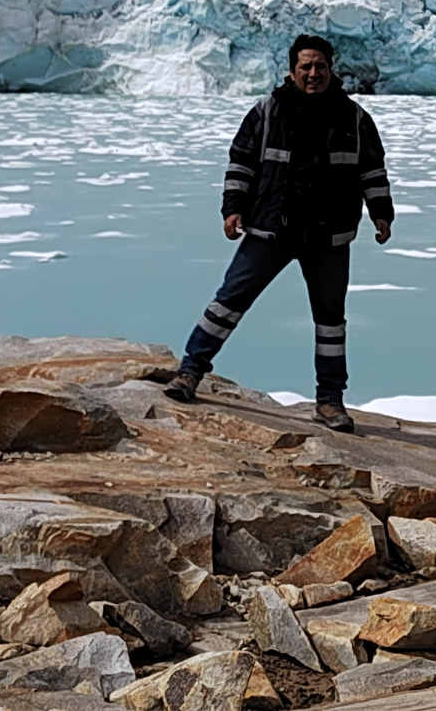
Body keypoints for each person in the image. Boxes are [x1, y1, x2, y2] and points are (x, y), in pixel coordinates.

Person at [163, 34, 394, 432]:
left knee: (330, 322)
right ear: (292, 70)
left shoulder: (354, 119)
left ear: (331, 69)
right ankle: (189, 372)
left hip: (328, 236)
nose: (313, 73)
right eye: (305, 66)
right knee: (229, 301)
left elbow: (371, 170)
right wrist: (232, 209)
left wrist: (381, 213)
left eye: (320, 66)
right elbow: (242, 164)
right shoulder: (267, 112)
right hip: (271, 229)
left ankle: (330, 401)